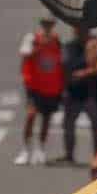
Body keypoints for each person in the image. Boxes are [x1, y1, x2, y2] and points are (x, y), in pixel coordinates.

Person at [15, 15, 65, 166]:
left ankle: (41, 149)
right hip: (34, 85)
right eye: (45, 24)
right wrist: (40, 46)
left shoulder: (57, 40)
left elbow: (62, 59)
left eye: (50, 24)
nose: (47, 26)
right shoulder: (32, 38)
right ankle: (25, 149)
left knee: (46, 119)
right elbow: (25, 55)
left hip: (51, 86)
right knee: (31, 115)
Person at [61, 27, 97, 163]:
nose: (82, 33)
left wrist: (85, 72)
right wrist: (89, 66)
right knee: (68, 124)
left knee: (96, 125)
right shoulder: (70, 47)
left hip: (92, 93)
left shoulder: (96, 44)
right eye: (80, 31)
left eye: (85, 31)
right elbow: (69, 65)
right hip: (74, 92)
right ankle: (69, 154)